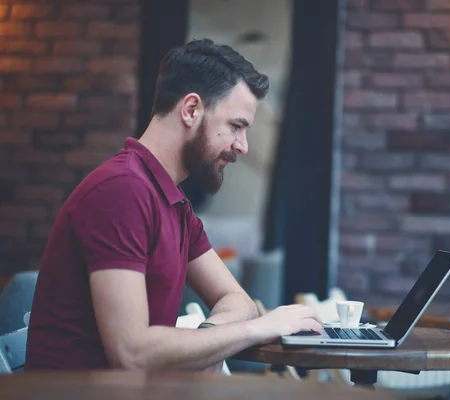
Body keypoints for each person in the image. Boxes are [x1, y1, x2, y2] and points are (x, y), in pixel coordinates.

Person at [25, 39, 323, 371]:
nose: (243, 146)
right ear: (191, 109)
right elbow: (132, 354)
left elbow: (238, 300)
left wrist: (210, 338)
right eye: (236, 126)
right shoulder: (121, 191)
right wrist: (255, 330)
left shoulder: (172, 202)